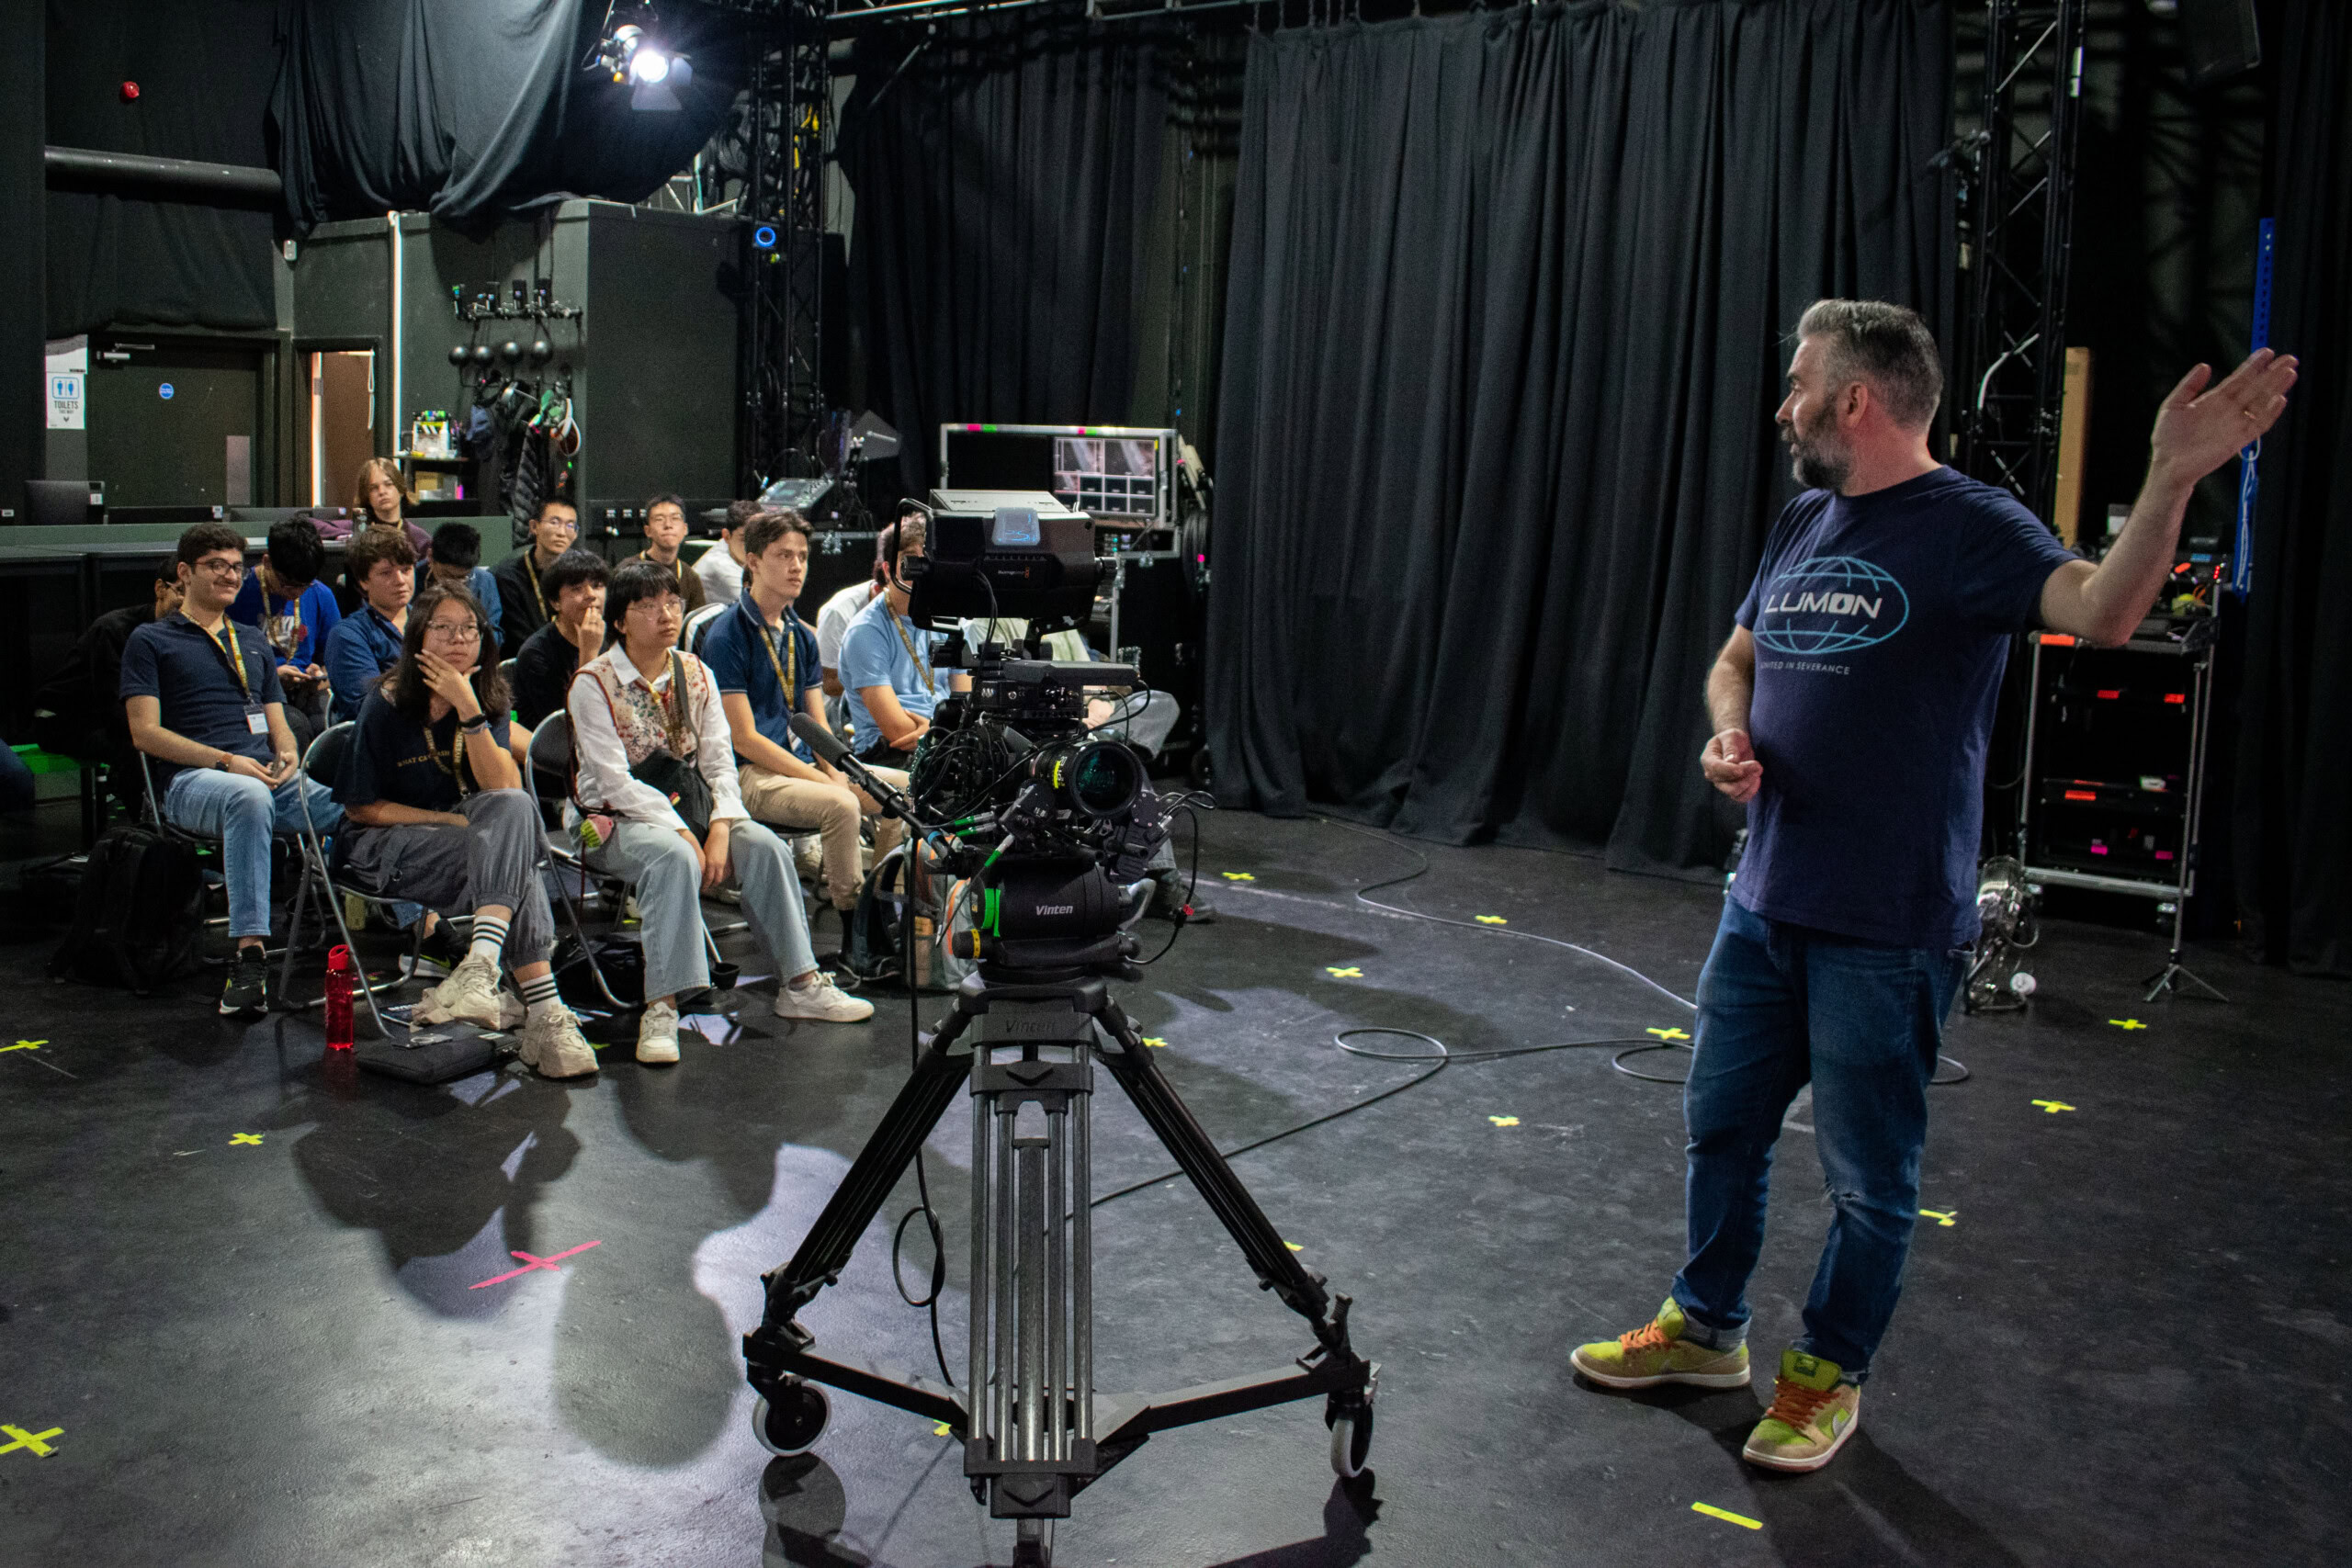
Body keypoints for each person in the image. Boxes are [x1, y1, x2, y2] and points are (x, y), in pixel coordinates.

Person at [1570, 300, 2299, 1474]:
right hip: (1762, 905)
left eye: (1799, 384)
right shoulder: (1806, 518)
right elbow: (1736, 656)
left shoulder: (1970, 525)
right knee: (1721, 1132)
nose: (1784, 406)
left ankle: (1826, 1377)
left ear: (1855, 400)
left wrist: (2169, 477)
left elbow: (2105, 613)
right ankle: (1705, 1334)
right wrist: (1728, 732)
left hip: (1886, 928)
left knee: (1868, 1183)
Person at [569, 561, 874, 1062]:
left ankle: (800, 983)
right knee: (672, 856)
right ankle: (661, 1006)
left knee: (766, 847)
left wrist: (721, 825)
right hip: (609, 820)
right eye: (648, 606)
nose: (666, 615)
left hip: (693, 809)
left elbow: (718, 763)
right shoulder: (594, 683)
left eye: (672, 603)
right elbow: (612, 782)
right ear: (619, 621)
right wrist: (684, 833)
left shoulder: (695, 672)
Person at [330, 584, 597, 1079]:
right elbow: (360, 807)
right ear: (418, 637)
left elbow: (504, 787)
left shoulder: (484, 697)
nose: (459, 639)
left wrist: (469, 708)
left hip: (470, 845)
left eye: (470, 629)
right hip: (382, 844)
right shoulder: (386, 701)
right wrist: (453, 822)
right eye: (444, 628)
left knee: (514, 810)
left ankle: (482, 967)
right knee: (515, 856)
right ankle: (545, 1012)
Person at [121, 522, 345, 1019]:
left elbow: (277, 721)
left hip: (264, 775)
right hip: (189, 781)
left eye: (236, 568)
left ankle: (426, 928)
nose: (229, 575)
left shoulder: (252, 640)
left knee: (358, 800)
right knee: (248, 796)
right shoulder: (150, 640)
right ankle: (250, 957)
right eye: (216, 566)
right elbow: (145, 734)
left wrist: (288, 753)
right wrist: (226, 761)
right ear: (185, 573)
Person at [704, 509, 907, 929]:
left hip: (801, 766)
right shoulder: (727, 634)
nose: (797, 566)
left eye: (802, 556)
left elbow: (818, 727)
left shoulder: (800, 635)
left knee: (902, 790)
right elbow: (744, 739)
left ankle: (886, 900)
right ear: (753, 561)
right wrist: (825, 781)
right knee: (841, 804)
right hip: (750, 774)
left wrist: (836, 771)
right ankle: (854, 924)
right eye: (784, 555)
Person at [35, 561, 182, 811]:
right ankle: (147, 823)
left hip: (118, 717)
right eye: (181, 591)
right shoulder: (114, 629)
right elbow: (112, 706)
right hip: (65, 719)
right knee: (138, 749)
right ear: (160, 588)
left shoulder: (184, 633)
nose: (187, 601)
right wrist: (162, 737)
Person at [836, 513, 970, 767]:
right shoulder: (865, 631)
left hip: (943, 744)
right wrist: (945, 733)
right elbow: (897, 731)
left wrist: (936, 731)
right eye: (910, 560)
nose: (920, 570)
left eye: (927, 560)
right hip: (885, 755)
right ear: (887, 570)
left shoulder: (948, 622)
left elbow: (967, 702)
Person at [228, 516, 340, 755]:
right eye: (288, 584)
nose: (296, 592)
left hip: (304, 692)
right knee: (295, 727)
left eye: (304, 585)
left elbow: (335, 659)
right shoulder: (237, 594)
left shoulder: (319, 594)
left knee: (331, 727)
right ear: (267, 562)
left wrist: (320, 674)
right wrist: (272, 677)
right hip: (254, 695)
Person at [322, 528, 417, 725]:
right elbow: (366, 708)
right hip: (382, 735)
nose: (400, 581)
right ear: (364, 581)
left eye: (406, 570)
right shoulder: (347, 635)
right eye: (386, 573)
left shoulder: (432, 622)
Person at [507, 548, 608, 729]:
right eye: (577, 589)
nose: (591, 595)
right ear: (555, 602)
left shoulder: (611, 637)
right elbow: (572, 723)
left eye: (597, 586)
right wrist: (589, 654)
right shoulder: (536, 653)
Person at [492, 496, 582, 656]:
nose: (562, 533)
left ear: (575, 533)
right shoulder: (508, 576)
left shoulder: (583, 574)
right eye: (554, 523)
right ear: (534, 527)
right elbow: (518, 637)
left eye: (570, 525)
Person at [635, 492, 707, 616]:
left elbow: (697, 623)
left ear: (685, 529)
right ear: (648, 531)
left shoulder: (691, 578)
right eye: (659, 519)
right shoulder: (628, 571)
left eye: (675, 518)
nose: (668, 525)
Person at [351, 457, 435, 564]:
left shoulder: (420, 540)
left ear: (400, 490)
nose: (382, 492)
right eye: (374, 488)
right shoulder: (359, 530)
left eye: (388, 484)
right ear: (367, 497)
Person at [424, 521, 504, 631]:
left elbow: (494, 631)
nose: (453, 584)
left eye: (462, 578)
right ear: (430, 557)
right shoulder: (411, 578)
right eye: (446, 575)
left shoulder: (484, 582)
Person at [695, 500, 753, 608]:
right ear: (727, 536)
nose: (753, 546)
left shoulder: (735, 550)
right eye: (744, 539)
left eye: (758, 537)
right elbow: (760, 604)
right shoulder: (719, 565)